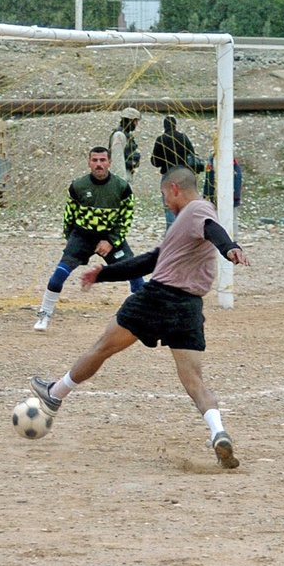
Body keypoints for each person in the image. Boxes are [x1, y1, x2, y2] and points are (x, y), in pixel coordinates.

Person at [29, 165, 251, 469]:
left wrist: (230, 248)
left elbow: (214, 230)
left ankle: (55, 394)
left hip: (156, 298)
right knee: (194, 381)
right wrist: (103, 274)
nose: (165, 202)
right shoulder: (182, 226)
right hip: (188, 308)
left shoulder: (198, 209)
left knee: (102, 347)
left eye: (164, 195)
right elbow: (149, 261)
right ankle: (218, 433)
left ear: (174, 188)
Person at [34, 146, 146, 332]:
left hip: (110, 236)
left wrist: (111, 241)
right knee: (59, 274)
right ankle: (44, 315)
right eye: (95, 160)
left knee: (134, 272)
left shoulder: (122, 187)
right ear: (89, 163)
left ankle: (143, 318)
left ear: (109, 162)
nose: (99, 164)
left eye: (102, 160)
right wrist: (72, 240)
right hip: (83, 236)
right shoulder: (78, 186)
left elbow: (126, 218)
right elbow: (69, 215)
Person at [150, 115, 197, 230]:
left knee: (170, 209)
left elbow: (154, 161)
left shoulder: (161, 139)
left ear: (164, 126)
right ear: (175, 125)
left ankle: (172, 235)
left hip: (168, 177)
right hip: (184, 176)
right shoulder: (183, 138)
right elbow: (192, 155)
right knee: (186, 206)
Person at [203, 154, 243, 236]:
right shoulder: (212, 161)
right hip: (214, 198)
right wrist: (207, 195)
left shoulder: (231, 162)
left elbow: (237, 179)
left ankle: (233, 239)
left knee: (232, 218)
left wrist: (235, 197)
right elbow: (208, 180)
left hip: (230, 198)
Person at [108, 107, 141, 181]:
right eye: (135, 121)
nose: (136, 124)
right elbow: (117, 159)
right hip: (122, 177)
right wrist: (121, 181)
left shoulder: (126, 135)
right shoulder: (119, 135)